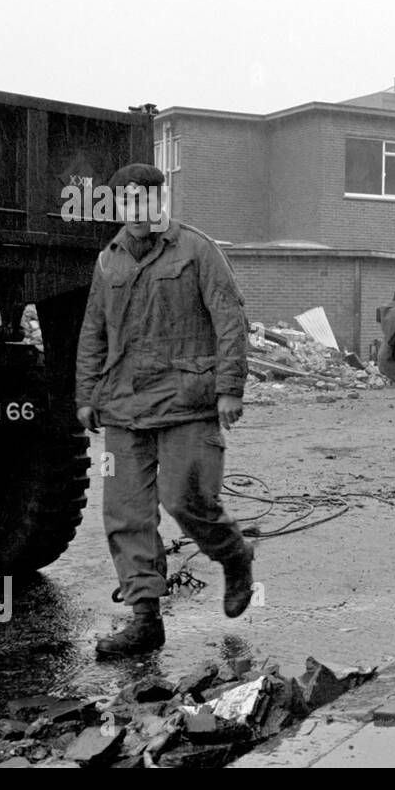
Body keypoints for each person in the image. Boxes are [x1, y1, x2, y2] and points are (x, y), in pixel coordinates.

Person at [75, 163, 255, 658]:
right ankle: (144, 617)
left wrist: (230, 388)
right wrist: (86, 395)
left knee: (186, 499)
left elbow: (229, 318)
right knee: (125, 514)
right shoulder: (108, 260)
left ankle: (234, 555)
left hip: (187, 402)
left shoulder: (197, 250)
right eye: (128, 202)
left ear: (162, 202)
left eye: (147, 201)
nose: (137, 212)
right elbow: (93, 330)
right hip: (123, 405)